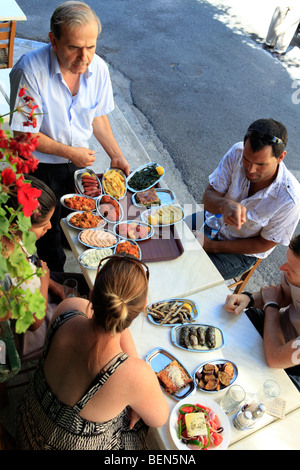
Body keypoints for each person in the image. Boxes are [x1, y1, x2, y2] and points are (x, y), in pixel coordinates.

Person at [9, 1, 130, 271]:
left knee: (77, 218)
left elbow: (97, 116)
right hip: (40, 167)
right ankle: (56, 279)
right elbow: (23, 135)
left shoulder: (98, 69)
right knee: (46, 233)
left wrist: (116, 154)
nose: (84, 57)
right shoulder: (30, 70)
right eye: (74, 47)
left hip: (77, 164)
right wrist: (71, 152)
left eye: (91, 47)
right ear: (53, 40)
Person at [16, 255, 169, 450]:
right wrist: (136, 389)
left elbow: (104, 318)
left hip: (29, 426)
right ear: (140, 308)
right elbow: (159, 418)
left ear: (91, 291)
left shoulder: (68, 309)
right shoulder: (136, 375)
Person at [197, 118, 300, 280]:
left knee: (193, 275)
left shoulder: (290, 200)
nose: (251, 170)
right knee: (165, 236)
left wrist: (213, 247)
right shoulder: (237, 151)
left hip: (241, 251)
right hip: (211, 220)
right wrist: (224, 204)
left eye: (261, 164)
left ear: (280, 157)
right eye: (246, 159)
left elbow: (263, 244)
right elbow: (207, 198)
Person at [1, 175, 90, 362]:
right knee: (92, 317)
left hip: (38, 285)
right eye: (42, 224)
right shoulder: (12, 271)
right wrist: (44, 281)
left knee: (86, 284)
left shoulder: (12, 238)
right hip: (26, 337)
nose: (50, 226)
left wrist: (53, 285)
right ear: (18, 225)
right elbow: (35, 323)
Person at [224, 234, 300, 391]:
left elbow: (276, 358)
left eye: (291, 270)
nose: (282, 268)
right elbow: (282, 295)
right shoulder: (293, 272)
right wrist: (247, 298)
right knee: (223, 322)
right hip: (274, 327)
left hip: (292, 364)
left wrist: (271, 306)